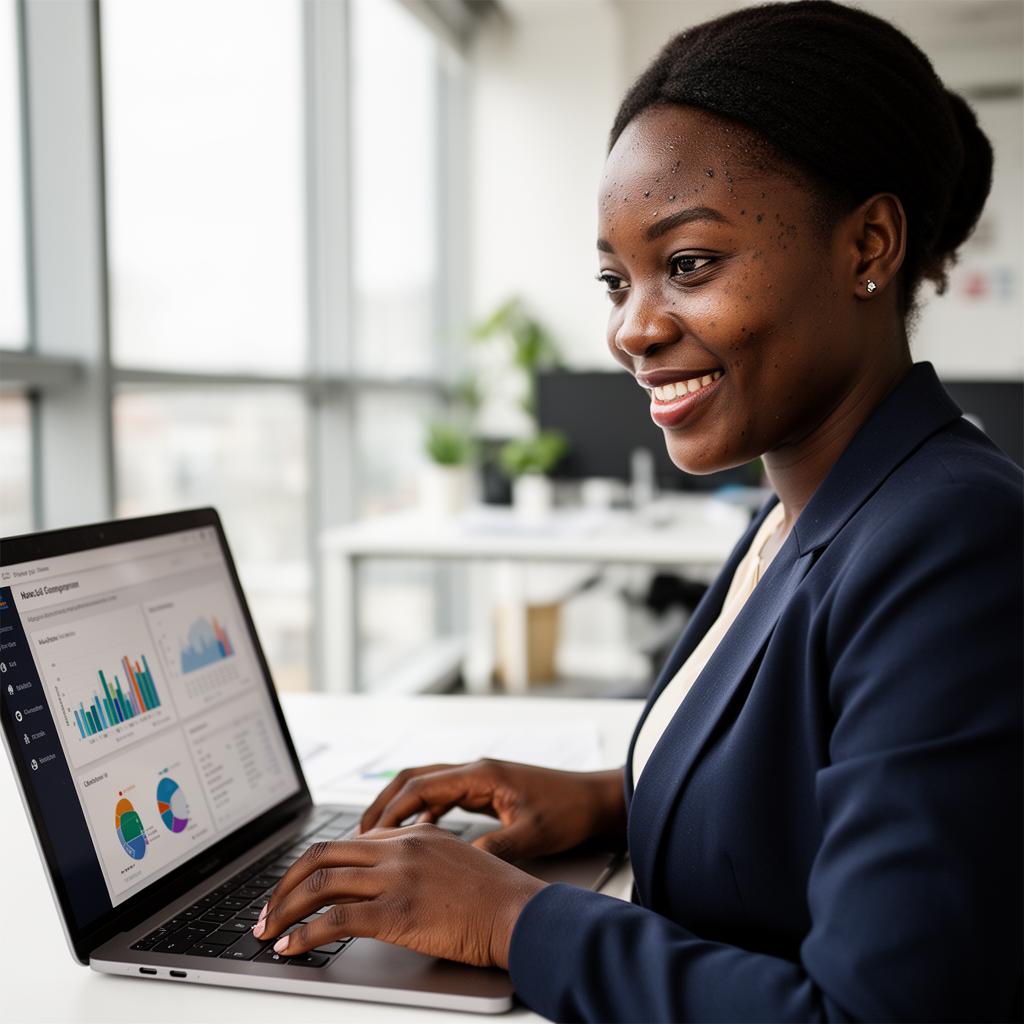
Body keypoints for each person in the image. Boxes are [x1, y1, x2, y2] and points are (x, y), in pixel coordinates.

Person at [253, 2, 1023, 1019]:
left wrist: (511, 921)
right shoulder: (807, 504)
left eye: (689, 264)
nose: (632, 327)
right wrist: (607, 793)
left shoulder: (952, 540)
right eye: (616, 279)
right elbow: (824, 769)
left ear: (867, 245)